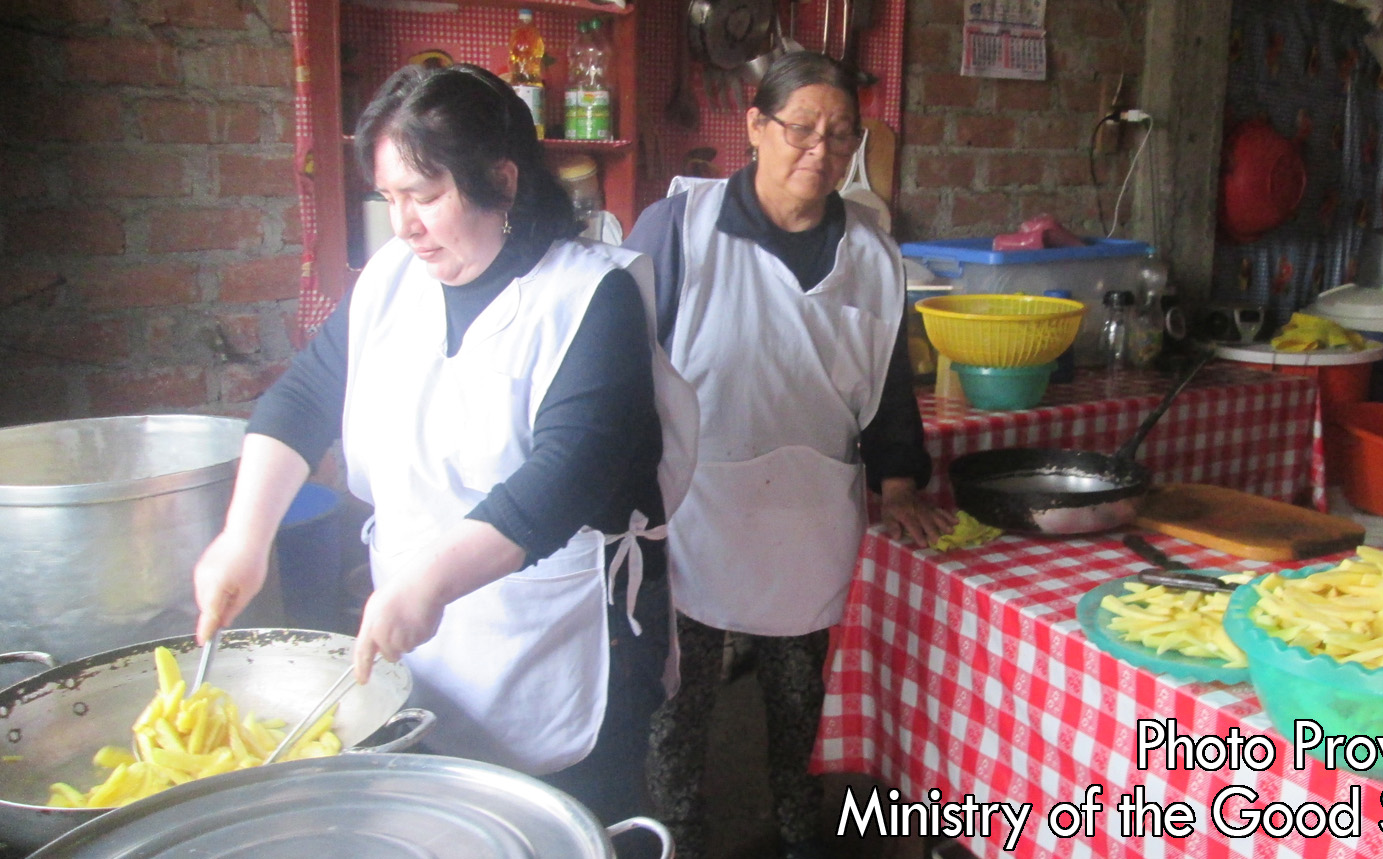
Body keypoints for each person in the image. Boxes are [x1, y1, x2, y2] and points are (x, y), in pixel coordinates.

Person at [191, 63, 696, 826]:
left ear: (501, 178)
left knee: (569, 827)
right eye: (389, 197)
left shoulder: (592, 296)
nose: (403, 225)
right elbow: (302, 398)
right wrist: (243, 537)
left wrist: (427, 583)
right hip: (418, 636)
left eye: (425, 196)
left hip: (554, 637)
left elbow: (563, 478)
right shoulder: (392, 280)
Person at [624, 51, 955, 859]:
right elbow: (621, 371)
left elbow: (885, 385)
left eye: (841, 133)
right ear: (754, 127)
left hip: (808, 520)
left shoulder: (872, 256)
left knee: (803, 712)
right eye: (801, 126)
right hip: (689, 511)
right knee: (680, 710)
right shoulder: (679, 231)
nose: (821, 147)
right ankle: (679, 846)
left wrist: (902, 480)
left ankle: (805, 844)